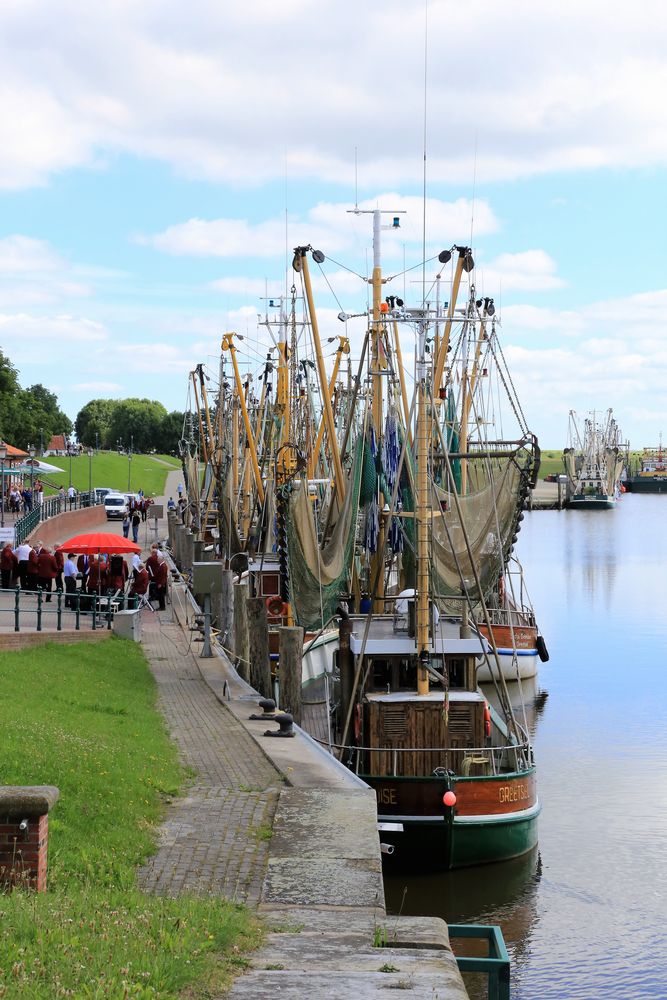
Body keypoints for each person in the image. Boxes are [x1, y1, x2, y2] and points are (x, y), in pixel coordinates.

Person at [146, 544, 168, 610]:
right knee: (160, 595)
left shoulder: (163, 566)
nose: (157, 561)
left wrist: (160, 584)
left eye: (158, 560)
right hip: (160, 582)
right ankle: (161, 606)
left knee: (161, 596)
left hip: (160, 583)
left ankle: (162, 607)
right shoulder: (162, 565)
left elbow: (162, 576)